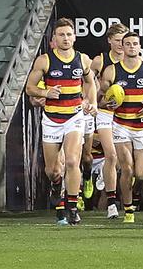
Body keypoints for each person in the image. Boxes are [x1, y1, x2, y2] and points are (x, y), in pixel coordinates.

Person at [25, 17, 96, 226]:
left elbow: (91, 82)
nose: (65, 38)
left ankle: (73, 207)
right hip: (51, 119)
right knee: (53, 170)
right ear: (54, 38)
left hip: (74, 117)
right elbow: (30, 88)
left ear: (74, 37)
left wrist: (91, 102)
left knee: (73, 161)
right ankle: (57, 185)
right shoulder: (44, 60)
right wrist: (46, 92)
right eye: (61, 35)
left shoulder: (83, 59)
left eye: (68, 34)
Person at [99, 31, 143, 224]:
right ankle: (128, 210)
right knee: (126, 167)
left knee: (141, 174)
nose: (132, 47)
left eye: (135, 43)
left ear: (140, 46)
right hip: (121, 126)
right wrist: (107, 103)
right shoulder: (111, 71)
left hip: (142, 127)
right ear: (122, 47)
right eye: (128, 44)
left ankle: (128, 194)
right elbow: (101, 98)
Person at [89, 22, 128, 219]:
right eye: (118, 41)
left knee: (121, 162)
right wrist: (97, 101)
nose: (122, 44)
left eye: (124, 40)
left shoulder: (134, 60)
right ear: (109, 41)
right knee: (111, 156)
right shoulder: (99, 61)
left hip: (124, 115)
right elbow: (87, 84)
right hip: (105, 113)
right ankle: (112, 205)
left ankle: (105, 179)